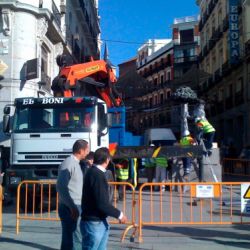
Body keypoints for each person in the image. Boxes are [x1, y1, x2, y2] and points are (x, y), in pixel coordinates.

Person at [81, 147, 127, 250]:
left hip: (98, 220)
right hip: (94, 222)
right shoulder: (97, 175)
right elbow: (102, 203)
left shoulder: (93, 172)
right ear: (107, 160)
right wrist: (119, 214)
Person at [57, 139, 89, 250]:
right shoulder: (69, 163)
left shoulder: (75, 163)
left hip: (73, 205)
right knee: (75, 239)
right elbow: (61, 187)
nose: (88, 152)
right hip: (70, 206)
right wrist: (72, 206)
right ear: (81, 150)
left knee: (70, 238)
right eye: (87, 150)